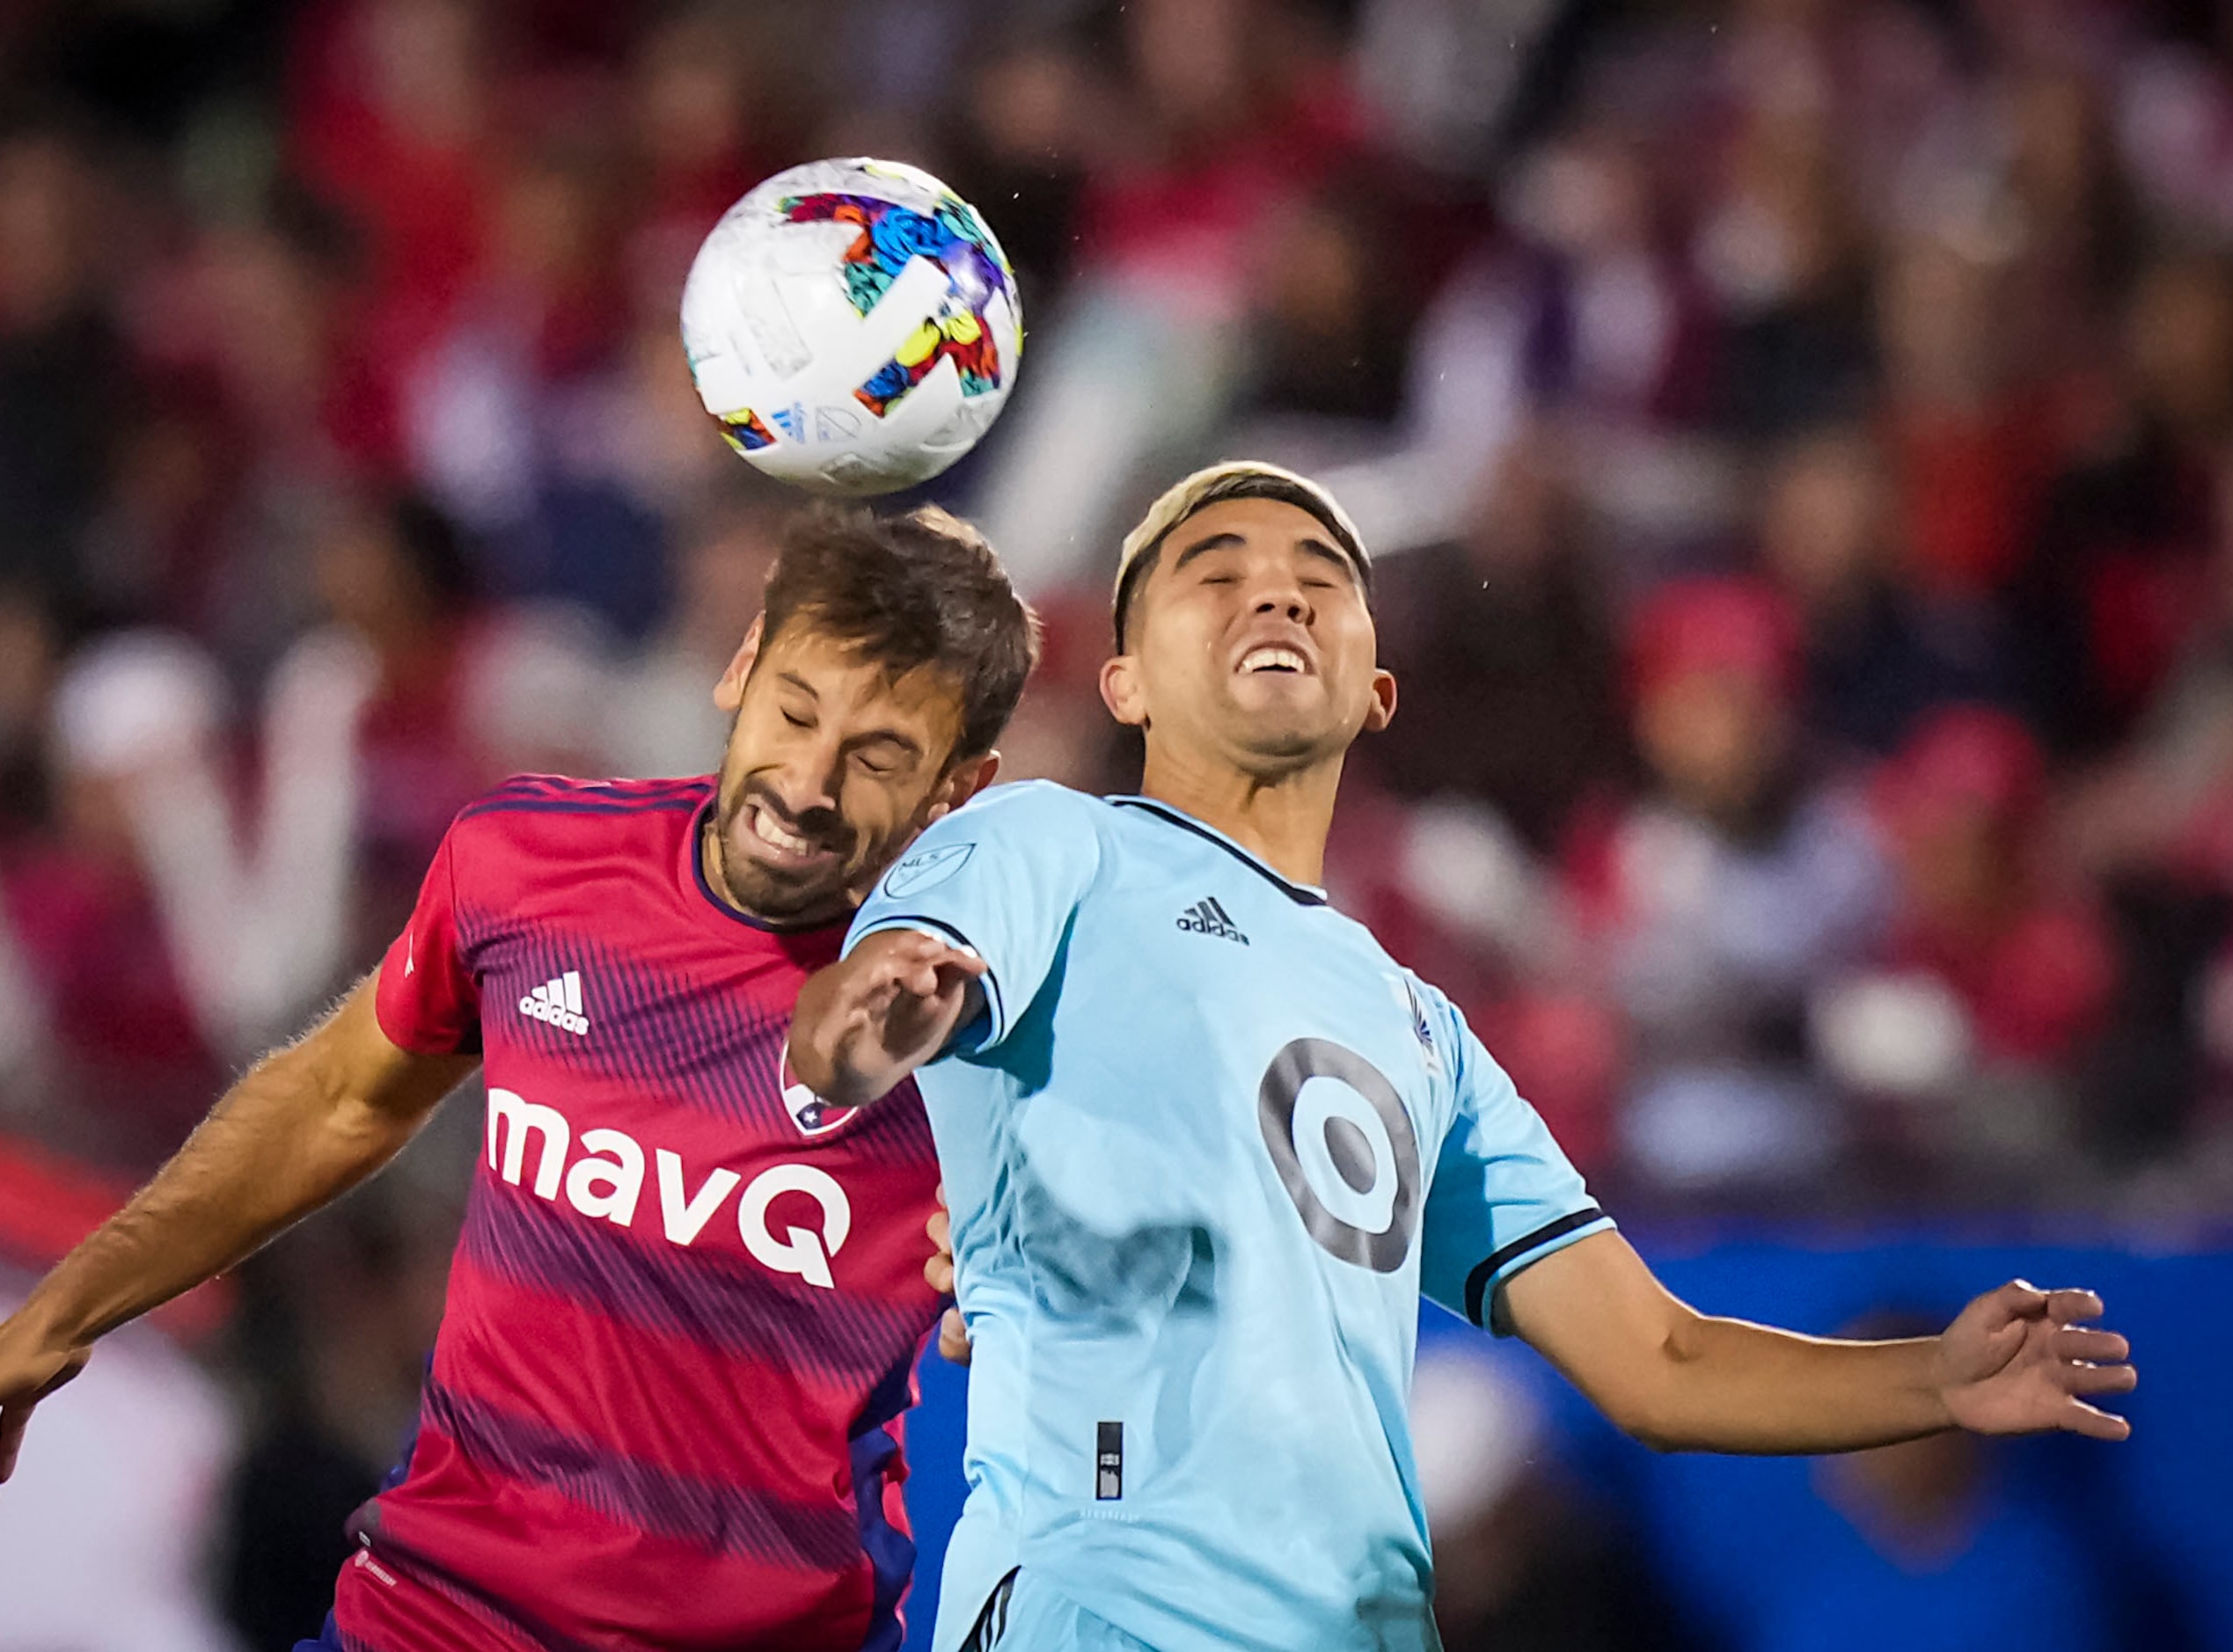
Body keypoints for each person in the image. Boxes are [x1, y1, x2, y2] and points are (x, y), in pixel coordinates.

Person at [790, 461, 2138, 1652]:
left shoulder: (1417, 1026)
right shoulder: (1049, 846)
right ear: (1124, 678)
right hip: (1107, 1608)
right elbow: (853, 1022)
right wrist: (885, 1019)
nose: (1275, 594)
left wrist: (1933, 1379)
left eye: (1320, 576)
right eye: (1216, 571)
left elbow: (1655, 1357)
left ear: (1376, 688)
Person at [0, 502, 1039, 1652]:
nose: (807, 781)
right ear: (739, 665)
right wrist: (62, 1314)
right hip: (433, 1616)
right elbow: (337, 1099)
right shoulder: (529, 861)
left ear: (961, 783)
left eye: (879, 755)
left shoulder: (1002, 1028)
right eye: (794, 710)